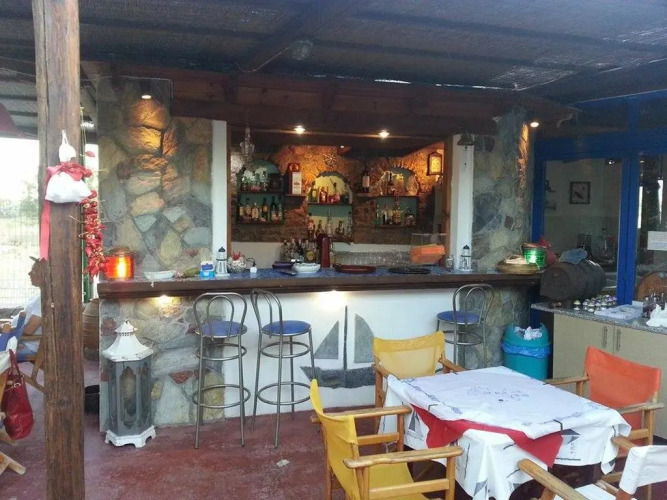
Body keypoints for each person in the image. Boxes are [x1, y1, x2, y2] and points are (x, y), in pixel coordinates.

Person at [2, 257, 42, 354]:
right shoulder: (38, 296)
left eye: (34, 271)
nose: (29, 273)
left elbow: (29, 330)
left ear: (43, 275)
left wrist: (6, 329)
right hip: (16, 340)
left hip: (26, 345)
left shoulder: (44, 300)